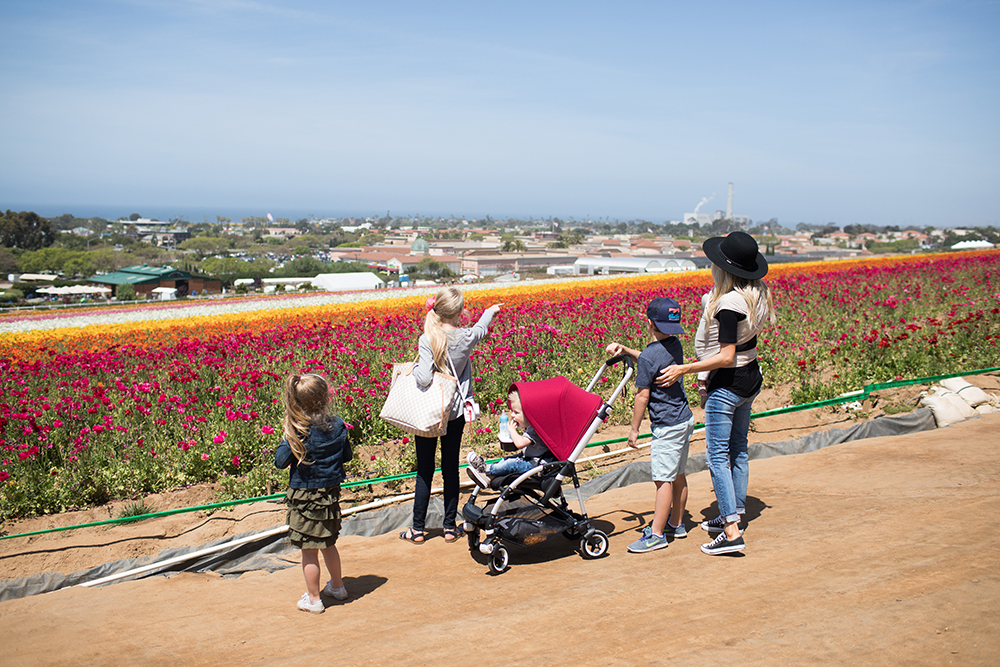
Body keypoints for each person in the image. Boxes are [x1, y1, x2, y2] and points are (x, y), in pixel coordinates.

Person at [659, 231, 776, 556]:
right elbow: (744, 345)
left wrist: (685, 370)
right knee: (738, 448)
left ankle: (730, 530)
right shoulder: (758, 293)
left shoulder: (728, 304)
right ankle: (735, 511)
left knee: (717, 457)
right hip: (751, 377)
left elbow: (725, 355)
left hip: (728, 382)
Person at [401, 288, 503, 544]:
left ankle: (417, 529)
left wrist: (413, 368)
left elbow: (423, 378)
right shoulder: (466, 337)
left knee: (424, 469)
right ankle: (449, 527)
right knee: (450, 468)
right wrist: (490, 312)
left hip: (429, 413)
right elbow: (481, 328)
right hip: (454, 413)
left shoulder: (428, 339)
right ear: (459, 313)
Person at [605, 297, 695, 553]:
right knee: (678, 475)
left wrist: (634, 429)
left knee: (662, 480)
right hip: (684, 419)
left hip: (666, 425)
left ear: (649, 324)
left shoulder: (649, 358)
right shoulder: (674, 345)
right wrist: (627, 350)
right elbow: (649, 357)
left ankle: (656, 534)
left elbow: (642, 395)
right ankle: (676, 524)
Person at [274, 373, 353, 614]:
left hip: (305, 498)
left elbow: (280, 461)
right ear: (326, 398)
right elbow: (347, 456)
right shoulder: (338, 425)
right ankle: (338, 587)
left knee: (309, 551)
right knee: (328, 543)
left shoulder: (299, 430)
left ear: (295, 403)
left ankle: (314, 598)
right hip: (329, 495)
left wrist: (287, 436)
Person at [466, 386, 554, 487]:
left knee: (511, 464)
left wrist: (512, 431)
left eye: (516, 412)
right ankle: (489, 478)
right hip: (530, 459)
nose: (512, 415)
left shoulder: (536, 429)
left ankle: (484, 468)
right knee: (506, 461)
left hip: (536, 466)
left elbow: (520, 443)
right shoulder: (532, 427)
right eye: (512, 411)